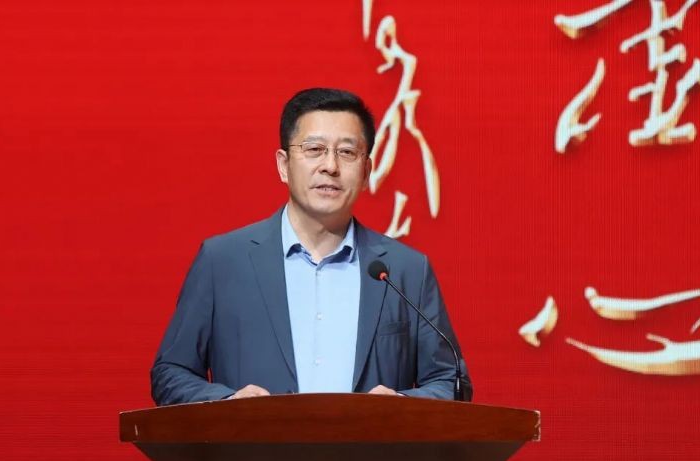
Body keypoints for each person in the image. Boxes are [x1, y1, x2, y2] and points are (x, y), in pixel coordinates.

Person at [151, 88, 471, 404]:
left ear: (366, 172)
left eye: (347, 152)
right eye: (314, 149)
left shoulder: (405, 270)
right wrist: (228, 402)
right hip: (255, 440)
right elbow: (171, 373)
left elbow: (450, 381)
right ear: (283, 165)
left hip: (370, 441)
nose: (330, 166)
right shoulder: (222, 261)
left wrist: (400, 404)